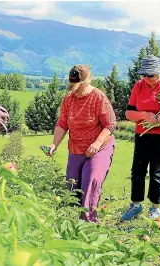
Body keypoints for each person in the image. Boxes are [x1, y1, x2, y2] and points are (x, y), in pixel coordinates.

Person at [47, 65, 116, 223]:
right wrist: (54, 145)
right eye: (72, 88)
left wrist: (97, 143)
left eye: (77, 88)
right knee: (72, 186)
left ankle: (88, 223)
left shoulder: (98, 97)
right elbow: (62, 124)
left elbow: (110, 124)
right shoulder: (68, 99)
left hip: (99, 148)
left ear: (86, 82)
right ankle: (70, 222)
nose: (74, 92)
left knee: (90, 181)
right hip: (76, 148)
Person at [121, 55, 160, 221]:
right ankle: (136, 205)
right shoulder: (139, 86)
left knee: (157, 173)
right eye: (144, 75)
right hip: (142, 134)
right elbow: (128, 113)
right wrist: (144, 115)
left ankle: (155, 209)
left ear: (159, 72)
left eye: (150, 75)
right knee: (138, 170)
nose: (147, 79)